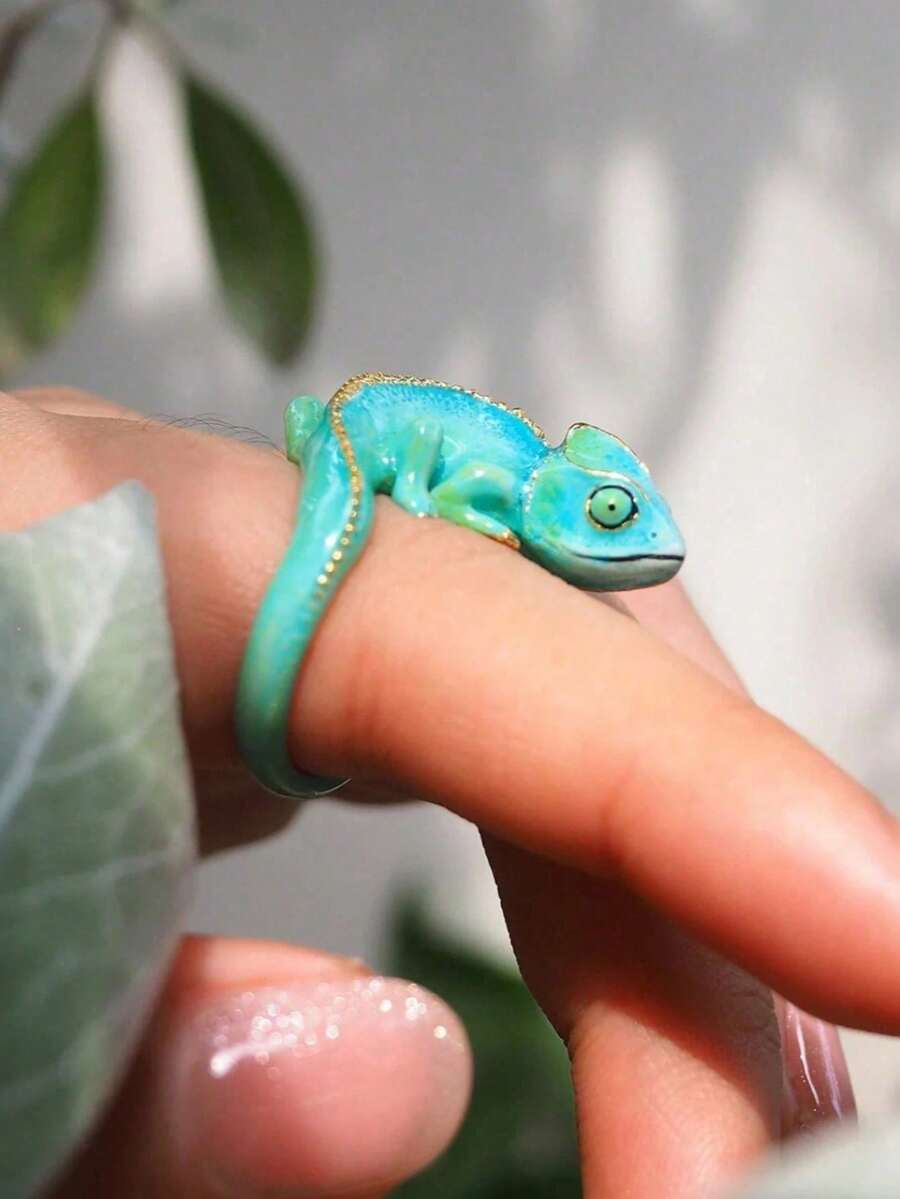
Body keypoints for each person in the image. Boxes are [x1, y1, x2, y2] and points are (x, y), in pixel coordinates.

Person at [5, 384, 886, 1199]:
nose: (632, 536)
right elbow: (450, 500)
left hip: (338, 438)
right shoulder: (500, 490)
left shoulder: (530, 483)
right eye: (609, 515)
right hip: (367, 450)